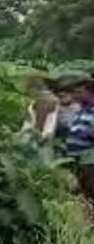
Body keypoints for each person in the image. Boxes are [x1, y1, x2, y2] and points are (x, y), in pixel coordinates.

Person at [52, 70, 94, 216]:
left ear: (86, 90)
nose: (75, 96)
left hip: (90, 163)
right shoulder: (83, 109)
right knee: (85, 203)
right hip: (80, 164)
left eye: (77, 92)